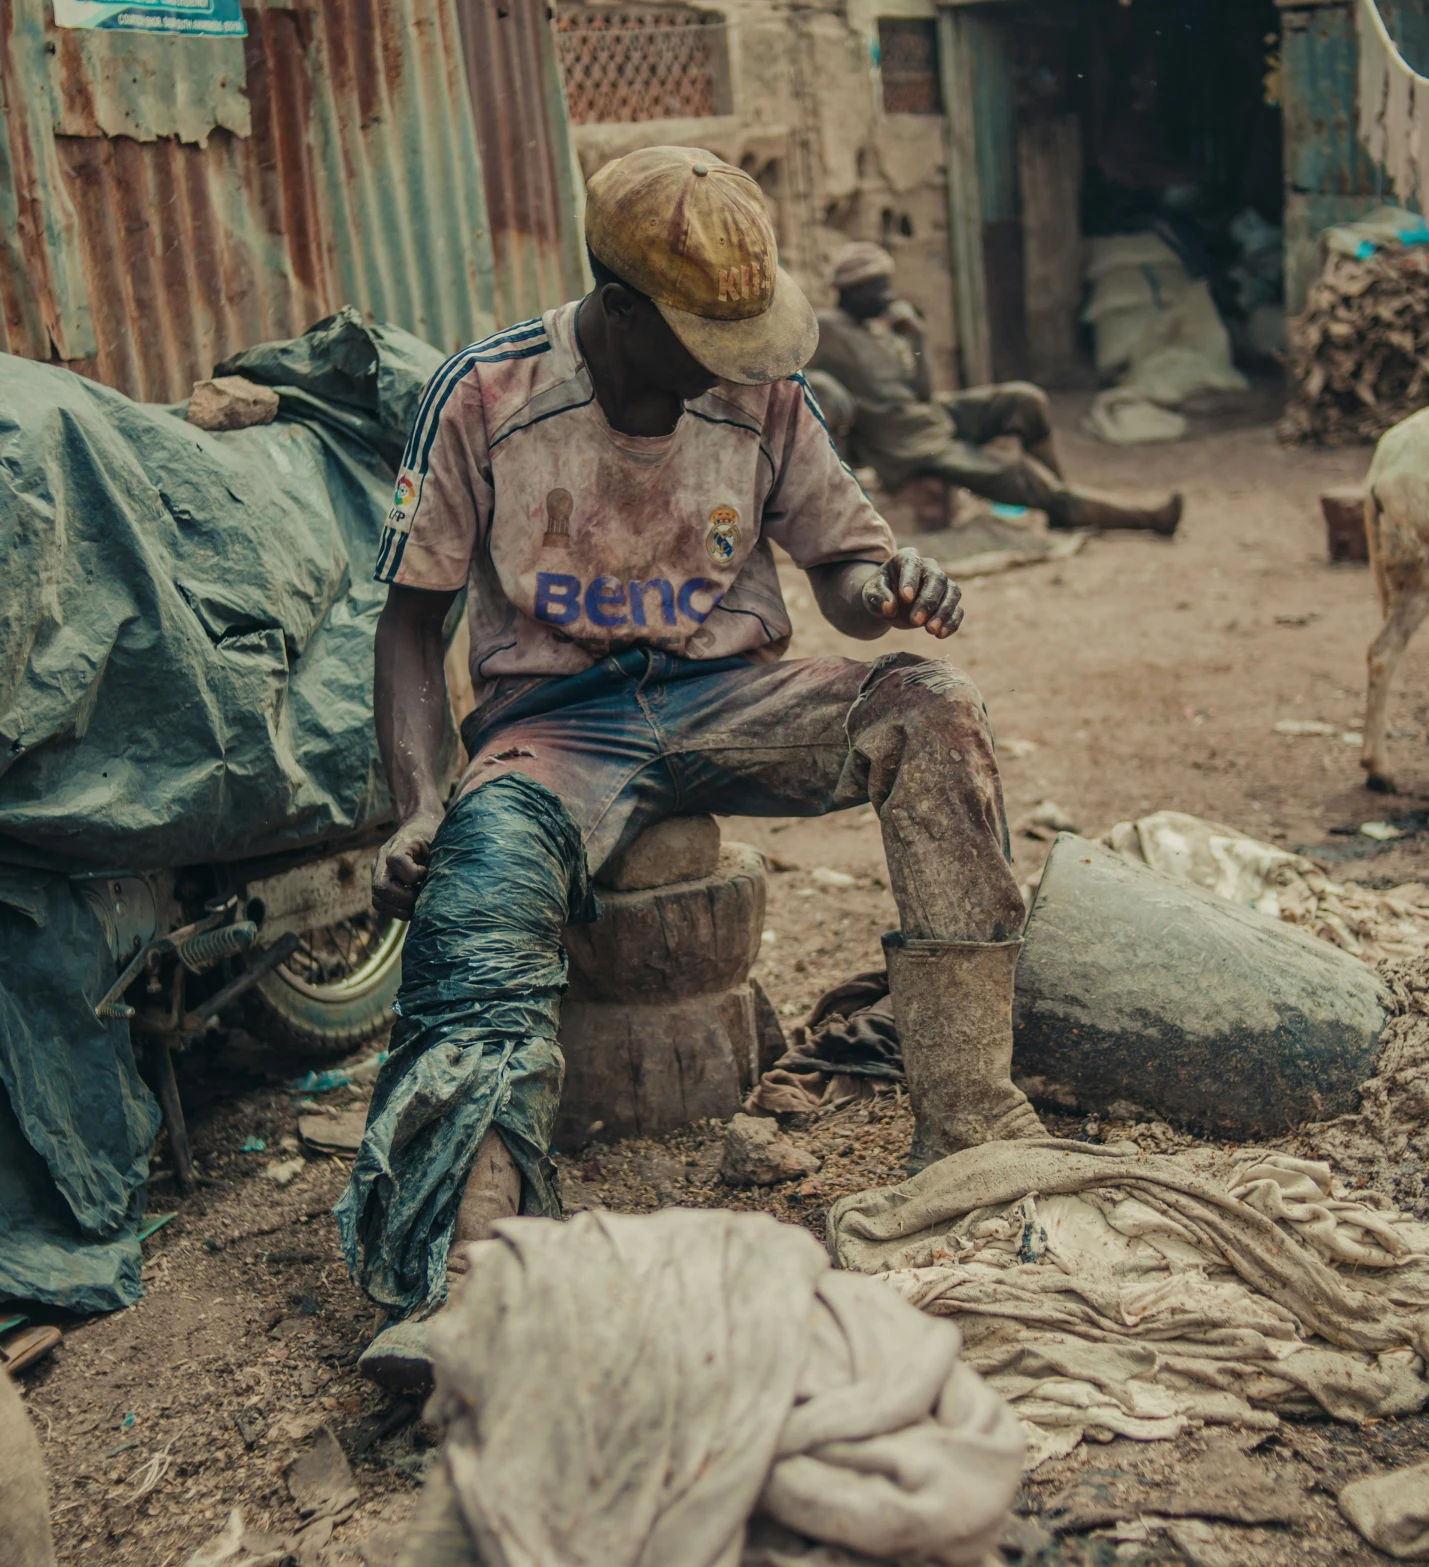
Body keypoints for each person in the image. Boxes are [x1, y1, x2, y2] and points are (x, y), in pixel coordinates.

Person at [337, 147, 1046, 1388]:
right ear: (619, 311)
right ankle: (471, 1275)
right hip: (556, 719)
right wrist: (415, 809)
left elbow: (840, 567)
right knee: (478, 883)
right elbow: (410, 622)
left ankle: (971, 1124)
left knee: (931, 710)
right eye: (708, 335)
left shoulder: (765, 397)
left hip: (734, 693)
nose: (746, 358)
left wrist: (889, 591)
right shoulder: (487, 395)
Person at [809, 240, 1182, 533]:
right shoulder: (828, 328)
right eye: (878, 289)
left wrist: (916, 337)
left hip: (933, 417)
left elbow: (923, 394)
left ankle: (1061, 499)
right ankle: (1143, 518)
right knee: (1016, 477)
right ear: (851, 292)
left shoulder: (880, 330)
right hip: (913, 446)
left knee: (1024, 400)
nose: (887, 297)